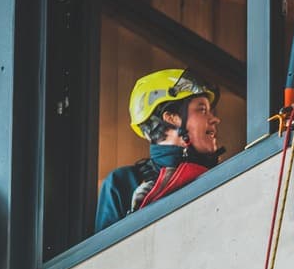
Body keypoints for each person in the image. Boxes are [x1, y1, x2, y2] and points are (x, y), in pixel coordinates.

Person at [94, 70, 222, 233]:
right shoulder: (122, 183)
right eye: (202, 109)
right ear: (172, 118)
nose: (215, 119)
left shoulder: (220, 176)